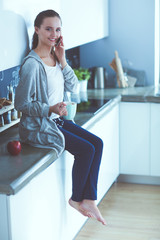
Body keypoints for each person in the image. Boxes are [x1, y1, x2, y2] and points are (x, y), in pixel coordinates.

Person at [15, 9, 106, 225]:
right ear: (36, 30)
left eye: (57, 29)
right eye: (48, 29)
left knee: (98, 143)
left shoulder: (56, 57)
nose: (53, 33)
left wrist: (63, 60)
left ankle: (89, 199)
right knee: (86, 149)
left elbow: (73, 86)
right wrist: (50, 108)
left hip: (58, 120)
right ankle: (77, 200)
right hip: (40, 125)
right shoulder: (31, 65)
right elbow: (21, 104)